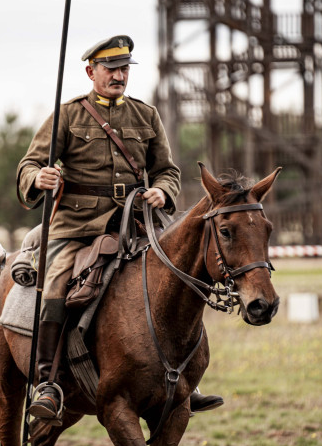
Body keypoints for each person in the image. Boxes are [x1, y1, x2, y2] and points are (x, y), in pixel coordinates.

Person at [16, 35, 225, 425]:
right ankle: (48, 382)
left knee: (181, 276)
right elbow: (28, 164)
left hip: (136, 222)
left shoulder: (145, 116)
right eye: (111, 69)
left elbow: (167, 170)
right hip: (77, 225)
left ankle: (185, 379)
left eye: (124, 68)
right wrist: (38, 176)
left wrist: (163, 190)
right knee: (57, 282)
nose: (119, 75)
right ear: (90, 72)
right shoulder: (68, 116)